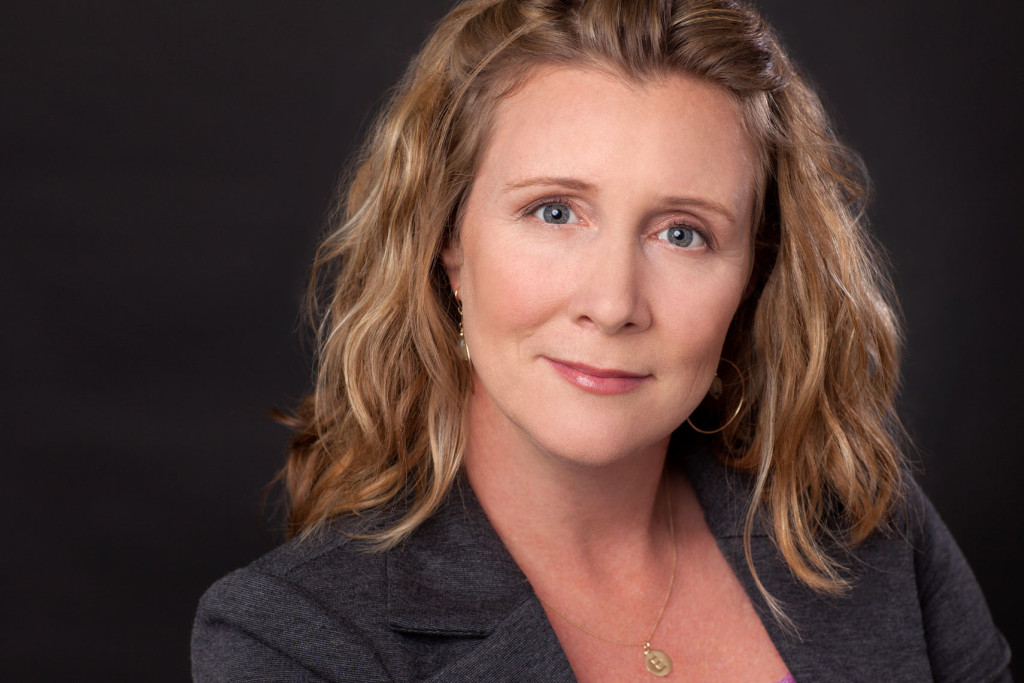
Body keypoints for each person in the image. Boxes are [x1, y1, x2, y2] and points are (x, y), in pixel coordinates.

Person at [191, 0, 1010, 680]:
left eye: (683, 233)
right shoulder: (292, 638)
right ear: (447, 242)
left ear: (753, 276)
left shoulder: (873, 531)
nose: (614, 303)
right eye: (554, 211)